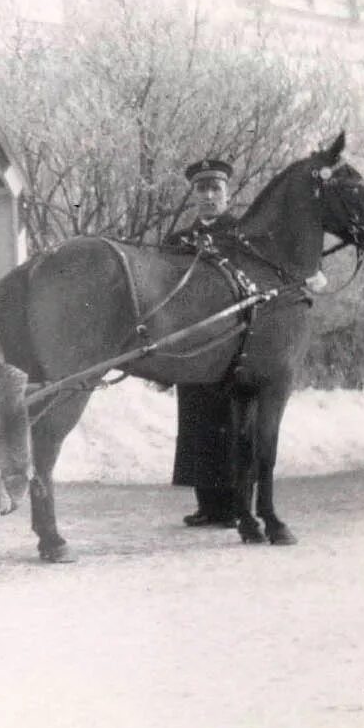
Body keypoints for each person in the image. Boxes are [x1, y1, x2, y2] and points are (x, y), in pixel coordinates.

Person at [165, 157, 243, 528]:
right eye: (202, 189)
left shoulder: (242, 235)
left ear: (228, 194)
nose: (209, 196)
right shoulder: (178, 241)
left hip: (233, 343)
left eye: (216, 188)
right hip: (194, 347)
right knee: (196, 421)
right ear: (194, 194)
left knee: (232, 421)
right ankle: (207, 505)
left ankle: (234, 506)